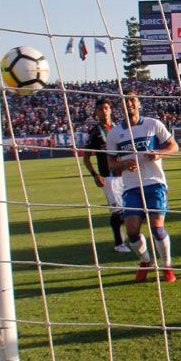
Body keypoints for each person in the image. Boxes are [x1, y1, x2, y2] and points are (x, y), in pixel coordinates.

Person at [106, 89, 179, 283]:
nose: (129, 104)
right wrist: (123, 164)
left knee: (156, 227)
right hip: (130, 187)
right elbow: (111, 164)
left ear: (139, 104)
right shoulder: (114, 134)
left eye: (132, 100)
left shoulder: (152, 124)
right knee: (131, 231)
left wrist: (159, 153)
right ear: (120, 107)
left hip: (154, 183)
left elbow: (174, 146)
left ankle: (166, 266)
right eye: (124, 101)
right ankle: (146, 261)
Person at [83, 98, 129, 253]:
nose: (104, 111)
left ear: (110, 110)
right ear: (96, 113)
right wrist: (95, 175)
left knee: (130, 208)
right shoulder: (95, 132)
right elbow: (86, 157)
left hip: (125, 174)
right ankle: (119, 243)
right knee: (118, 211)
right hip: (108, 177)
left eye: (106, 108)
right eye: (100, 109)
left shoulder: (118, 128)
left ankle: (125, 240)